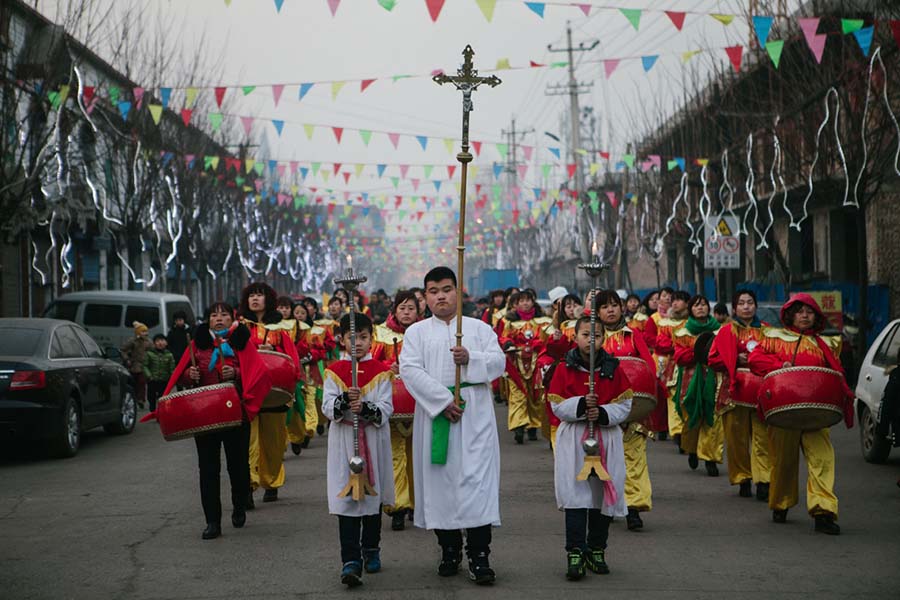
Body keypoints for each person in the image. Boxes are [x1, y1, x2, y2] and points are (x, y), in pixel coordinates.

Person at [399, 266, 506, 585]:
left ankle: (479, 553)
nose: (441, 296)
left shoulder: (478, 329)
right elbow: (410, 370)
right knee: (440, 485)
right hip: (436, 415)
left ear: (457, 291)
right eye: (433, 291)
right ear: (425, 297)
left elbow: (499, 362)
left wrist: (470, 359)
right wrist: (441, 402)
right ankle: (449, 548)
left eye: (446, 289)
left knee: (478, 483)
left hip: (475, 416)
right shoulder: (416, 333)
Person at [748, 294, 852, 534]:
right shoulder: (774, 338)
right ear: (791, 315)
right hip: (784, 411)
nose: (805, 316)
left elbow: (836, 375)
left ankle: (823, 511)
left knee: (822, 460)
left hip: (816, 413)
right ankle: (781, 503)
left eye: (809, 312)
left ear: (816, 317)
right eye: (800, 311)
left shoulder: (825, 344)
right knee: (783, 462)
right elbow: (756, 360)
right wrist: (779, 366)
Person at [167, 302, 271, 540]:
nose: (219, 318)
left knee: (238, 466)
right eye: (214, 315)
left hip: (235, 414)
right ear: (208, 320)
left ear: (232, 318)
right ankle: (212, 521)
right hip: (205, 416)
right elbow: (181, 373)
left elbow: (258, 373)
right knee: (208, 469)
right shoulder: (197, 345)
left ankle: (239, 504)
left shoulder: (242, 343)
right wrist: (188, 375)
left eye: (224, 314)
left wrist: (236, 374)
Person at [547, 316, 633, 580]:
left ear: (604, 338)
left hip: (605, 437)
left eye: (596, 335)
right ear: (575, 337)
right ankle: (575, 550)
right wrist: (583, 404)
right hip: (575, 438)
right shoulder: (564, 367)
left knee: (601, 496)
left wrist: (604, 413)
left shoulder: (613, 368)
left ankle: (597, 548)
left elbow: (625, 404)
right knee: (576, 495)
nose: (590, 340)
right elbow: (556, 404)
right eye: (585, 335)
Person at [322, 312, 394, 587]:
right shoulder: (333, 372)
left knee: (371, 500)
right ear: (342, 340)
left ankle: (371, 548)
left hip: (373, 443)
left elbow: (386, 408)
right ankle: (350, 560)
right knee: (348, 501)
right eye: (353, 337)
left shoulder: (382, 371)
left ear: (372, 339)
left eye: (364, 337)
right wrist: (343, 401)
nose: (358, 343)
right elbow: (328, 407)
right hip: (344, 444)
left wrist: (365, 408)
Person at [594, 290, 658, 531]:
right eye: (604, 307)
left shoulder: (634, 335)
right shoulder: (592, 337)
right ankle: (609, 506)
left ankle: (633, 508)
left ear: (622, 308)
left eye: (614, 305)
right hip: (603, 409)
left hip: (634, 407)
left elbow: (648, 367)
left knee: (635, 457)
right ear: (597, 312)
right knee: (605, 459)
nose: (610, 310)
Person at [240, 282, 301, 506]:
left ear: (269, 299)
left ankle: (272, 481)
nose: (255, 299)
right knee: (249, 442)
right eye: (251, 295)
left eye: (260, 295)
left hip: (275, 391)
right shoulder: (239, 327)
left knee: (274, 442)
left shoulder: (281, 329)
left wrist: (273, 351)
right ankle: (248, 484)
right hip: (248, 392)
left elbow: (291, 358)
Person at [708, 290, 771, 500]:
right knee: (737, 441)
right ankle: (743, 478)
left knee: (763, 439)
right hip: (734, 393)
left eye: (750, 303)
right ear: (734, 308)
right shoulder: (726, 331)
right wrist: (736, 358)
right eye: (741, 303)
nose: (746, 307)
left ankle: (764, 480)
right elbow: (713, 360)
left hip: (762, 393)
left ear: (756, 306)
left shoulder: (768, 332)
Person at [370, 290, 419, 531]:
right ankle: (398, 505)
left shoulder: (426, 333)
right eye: (403, 308)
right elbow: (371, 365)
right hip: (393, 403)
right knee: (395, 454)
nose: (407, 312)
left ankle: (417, 503)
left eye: (411, 308)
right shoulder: (380, 334)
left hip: (421, 403)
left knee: (417, 455)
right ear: (394, 310)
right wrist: (389, 367)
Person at [672, 295, 724, 476]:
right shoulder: (683, 332)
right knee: (691, 418)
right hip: (690, 380)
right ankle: (692, 449)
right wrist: (701, 353)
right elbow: (679, 357)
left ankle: (710, 458)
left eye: (703, 304)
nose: (701, 307)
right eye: (696, 305)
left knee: (713, 418)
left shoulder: (720, 330)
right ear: (690, 309)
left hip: (714, 379)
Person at [495, 289, 555, 444]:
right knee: (517, 396)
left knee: (535, 396)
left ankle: (533, 426)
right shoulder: (509, 322)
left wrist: (539, 344)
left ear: (533, 301)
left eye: (528, 300)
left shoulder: (544, 321)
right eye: (521, 301)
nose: (525, 303)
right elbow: (503, 337)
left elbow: (549, 339)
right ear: (516, 304)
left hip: (536, 363)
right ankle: (519, 426)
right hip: (516, 363)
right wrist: (508, 344)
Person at [654, 290, 689, 446]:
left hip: (690, 366)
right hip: (671, 365)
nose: (674, 303)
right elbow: (660, 343)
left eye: (679, 300)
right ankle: (677, 431)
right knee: (672, 397)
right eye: (673, 300)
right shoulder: (665, 323)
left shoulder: (692, 323)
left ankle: (687, 430)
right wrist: (679, 346)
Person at [121, 321, 152, 408]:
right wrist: (126, 359)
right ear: (138, 332)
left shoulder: (148, 342)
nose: (145, 333)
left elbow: (153, 351)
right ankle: (133, 398)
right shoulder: (132, 341)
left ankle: (141, 399)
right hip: (134, 365)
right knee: (134, 383)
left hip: (144, 366)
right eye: (143, 331)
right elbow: (123, 349)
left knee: (142, 383)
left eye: (146, 331)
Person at [143, 334, 175, 412]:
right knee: (151, 397)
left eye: (162, 340)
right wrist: (149, 376)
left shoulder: (169, 355)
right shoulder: (149, 354)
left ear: (166, 343)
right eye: (157, 341)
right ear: (154, 343)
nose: (160, 343)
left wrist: (173, 379)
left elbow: (172, 368)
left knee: (163, 397)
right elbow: (145, 366)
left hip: (164, 380)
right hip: (152, 380)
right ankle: (153, 409)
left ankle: (160, 412)